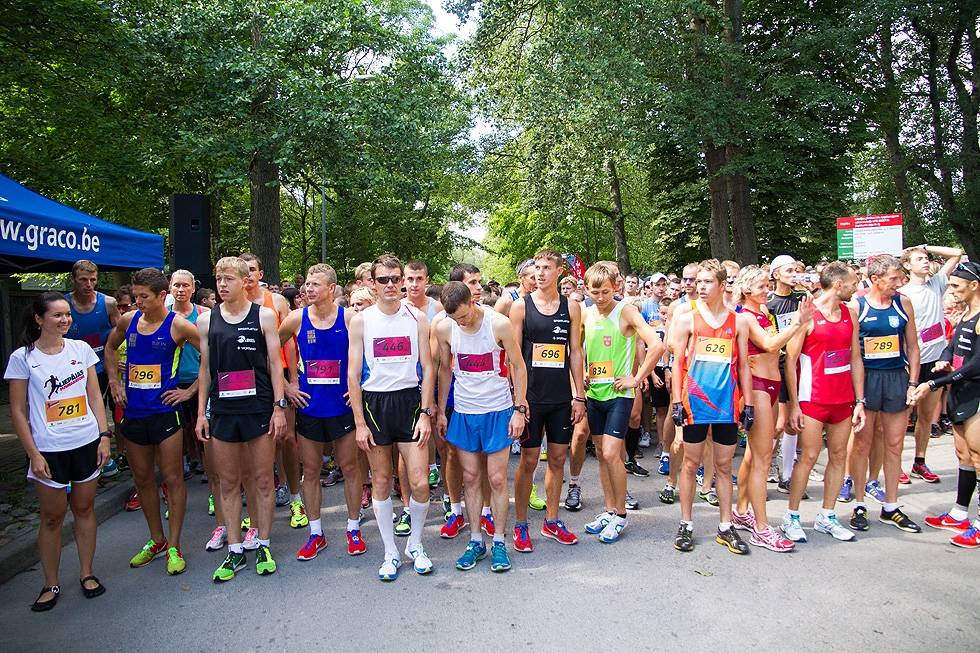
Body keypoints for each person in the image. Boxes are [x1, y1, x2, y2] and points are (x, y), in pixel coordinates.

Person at [6, 293, 111, 611]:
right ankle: (50, 582)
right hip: (49, 449)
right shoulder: (23, 358)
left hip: (85, 442)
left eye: (68, 315)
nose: (65, 320)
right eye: (57, 315)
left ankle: (86, 573)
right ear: (39, 319)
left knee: (84, 509)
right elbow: (17, 410)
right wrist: (33, 453)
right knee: (52, 518)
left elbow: (95, 397)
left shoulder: (80, 350)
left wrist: (104, 436)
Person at [196, 257, 288, 583]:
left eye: (228, 279)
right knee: (227, 482)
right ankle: (234, 550)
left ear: (245, 280)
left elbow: (276, 365)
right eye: (218, 279)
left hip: (258, 408)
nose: (222, 284)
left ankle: (262, 544)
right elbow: (205, 369)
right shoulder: (206, 320)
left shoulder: (263, 315)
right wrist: (200, 414)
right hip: (222, 410)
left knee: (263, 480)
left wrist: (279, 407)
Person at [104, 268, 200, 575]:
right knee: (143, 479)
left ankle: (174, 544)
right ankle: (156, 539)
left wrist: (190, 392)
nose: (138, 302)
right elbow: (109, 348)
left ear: (162, 296)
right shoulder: (128, 320)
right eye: (136, 296)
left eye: (144, 297)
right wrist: (115, 383)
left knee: (172, 479)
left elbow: (211, 354)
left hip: (165, 413)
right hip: (134, 413)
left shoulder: (179, 325)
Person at [348, 254, 437, 581]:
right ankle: (390, 552)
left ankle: (415, 543)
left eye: (394, 279)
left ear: (402, 280)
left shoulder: (417, 318)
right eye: (382, 279)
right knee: (382, 480)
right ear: (372, 282)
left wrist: (426, 412)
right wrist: (359, 422)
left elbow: (428, 368)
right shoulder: (361, 320)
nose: (389, 285)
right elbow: (353, 374)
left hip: (410, 403)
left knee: (419, 482)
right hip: (375, 406)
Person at [434, 281, 528, 571]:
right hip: (464, 411)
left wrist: (519, 409)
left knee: (497, 479)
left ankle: (499, 542)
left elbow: (519, 366)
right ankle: (476, 541)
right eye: (455, 319)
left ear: (473, 303)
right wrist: (440, 410)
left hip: (498, 410)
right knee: (471, 478)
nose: (460, 322)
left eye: (463, 316)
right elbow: (444, 369)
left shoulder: (498, 325)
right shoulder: (444, 328)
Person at [278, 264, 366, 559]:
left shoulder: (351, 318)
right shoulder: (295, 319)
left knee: (350, 468)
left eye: (315, 284)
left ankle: (353, 528)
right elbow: (268, 353)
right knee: (311, 470)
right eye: (307, 285)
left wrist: (361, 387)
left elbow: (371, 357)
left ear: (331, 289)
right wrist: (287, 384)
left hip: (342, 405)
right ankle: (316, 534)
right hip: (310, 405)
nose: (308, 289)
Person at [670, 259, 754, 554]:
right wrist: (677, 402)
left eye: (707, 282)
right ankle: (686, 524)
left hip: (726, 405)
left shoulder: (738, 321)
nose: (700, 287)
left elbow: (743, 365)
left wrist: (750, 403)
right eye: (698, 282)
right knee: (691, 464)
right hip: (694, 403)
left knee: (722, 466)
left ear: (721, 285)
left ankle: (725, 527)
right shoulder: (686, 318)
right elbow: (678, 363)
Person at [780, 263, 866, 544]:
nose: (856, 286)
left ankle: (827, 515)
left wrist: (859, 401)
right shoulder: (806, 315)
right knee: (809, 456)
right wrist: (793, 404)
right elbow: (790, 362)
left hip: (842, 399)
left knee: (839, 456)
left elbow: (855, 358)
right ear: (838, 285)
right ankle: (791, 516)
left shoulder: (850, 314)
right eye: (853, 282)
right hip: (813, 398)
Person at [581, 262, 666, 543]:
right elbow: (580, 349)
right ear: (587, 290)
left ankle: (620, 514)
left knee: (611, 453)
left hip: (619, 394)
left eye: (605, 291)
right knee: (603, 455)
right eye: (595, 291)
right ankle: (608, 510)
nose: (600, 297)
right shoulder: (586, 313)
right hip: (595, 394)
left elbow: (656, 344)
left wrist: (636, 377)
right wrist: (582, 373)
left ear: (615, 287)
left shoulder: (626, 311)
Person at [509, 249, 587, 551]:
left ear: (559, 272)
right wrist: (519, 400)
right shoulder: (520, 307)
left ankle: (552, 522)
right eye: (536, 268)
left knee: (557, 459)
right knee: (528, 460)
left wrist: (579, 395)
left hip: (561, 397)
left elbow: (575, 352)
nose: (540, 273)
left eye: (546, 268)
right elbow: (515, 358)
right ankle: (520, 524)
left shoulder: (572, 307)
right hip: (531, 398)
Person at [730, 265, 812, 551]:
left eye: (767, 285)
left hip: (772, 385)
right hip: (757, 387)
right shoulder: (745, 316)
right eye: (762, 286)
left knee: (755, 455)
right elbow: (768, 344)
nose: (768, 290)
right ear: (746, 290)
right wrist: (798, 323)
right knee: (763, 459)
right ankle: (762, 529)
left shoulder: (765, 312)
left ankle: (741, 511)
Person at [847, 254, 922, 533]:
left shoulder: (903, 303)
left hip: (896, 378)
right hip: (867, 378)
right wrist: (858, 395)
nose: (899, 283)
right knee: (862, 445)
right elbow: (853, 353)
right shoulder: (858, 306)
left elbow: (913, 347)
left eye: (900, 277)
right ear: (875, 279)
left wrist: (913, 383)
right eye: (893, 279)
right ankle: (858, 504)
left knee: (894, 444)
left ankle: (891, 506)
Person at [913, 261, 980, 547]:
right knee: (964, 456)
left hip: (976, 393)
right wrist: (943, 356)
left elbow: (977, 364)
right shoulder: (967, 312)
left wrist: (934, 383)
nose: (950, 290)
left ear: (973, 285)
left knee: (978, 457)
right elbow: (952, 345)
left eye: (955, 285)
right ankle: (959, 513)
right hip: (960, 391)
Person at [241, 253, 307, 530]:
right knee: (254, 442)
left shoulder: (276, 301)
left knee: (286, 439)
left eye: (252, 270)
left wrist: (292, 380)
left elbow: (290, 343)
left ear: (260, 272)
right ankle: (260, 502)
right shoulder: (231, 305)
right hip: (248, 382)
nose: (247, 276)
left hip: (278, 377)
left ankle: (295, 497)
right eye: (242, 271)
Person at [900, 244, 963, 483]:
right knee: (902, 417)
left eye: (927, 258)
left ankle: (919, 461)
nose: (925, 261)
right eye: (919, 258)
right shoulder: (903, 293)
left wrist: (925, 246)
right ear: (907, 265)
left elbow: (956, 253)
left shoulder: (936, 283)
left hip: (936, 361)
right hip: (912, 362)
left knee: (926, 417)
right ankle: (896, 465)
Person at [64, 260, 121, 476]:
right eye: (83, 280)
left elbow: (120, 333)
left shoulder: (108, 303)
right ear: (74, 279)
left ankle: (105, 454)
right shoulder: (64, 304)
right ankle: (79, 454)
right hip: (73, 370)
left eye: (93, 280)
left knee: (105, 409)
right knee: (79, 410)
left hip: (103, 367)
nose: (89, 284)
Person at [767, 255, 809, 493]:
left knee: (795, 423)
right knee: (780, 423)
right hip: (779, 365)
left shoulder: (803, 299)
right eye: (789, 271)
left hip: (802, 364)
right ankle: (766, 463)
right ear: (776, 275)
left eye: (796, 270)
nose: (794, 274)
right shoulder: (770, 304)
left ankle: (787, 474)